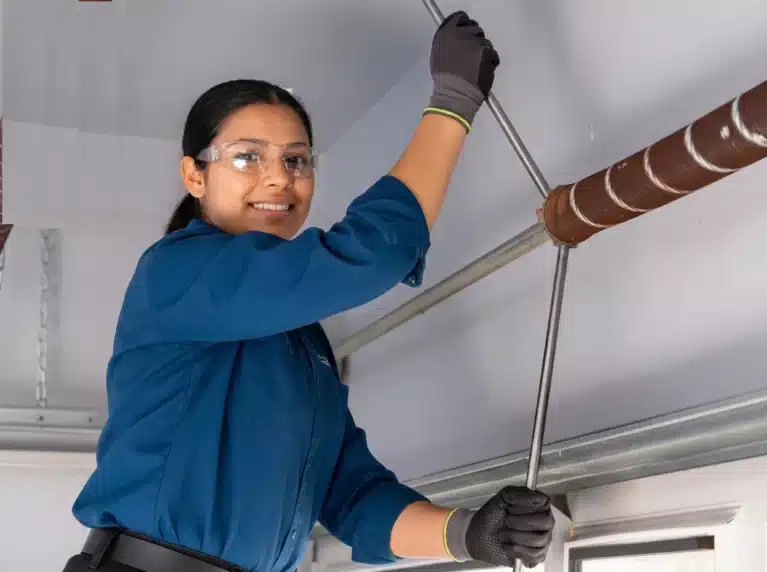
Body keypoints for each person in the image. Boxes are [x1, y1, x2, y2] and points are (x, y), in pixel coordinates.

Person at [62, 11, 554, 572]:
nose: (278, 178)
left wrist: (467, 533)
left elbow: (352, 495)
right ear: (194, 176)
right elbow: (369, 255)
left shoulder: (304, 347)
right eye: (247, 157)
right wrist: (452, 103)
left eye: (295, 160)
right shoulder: (176, 272)